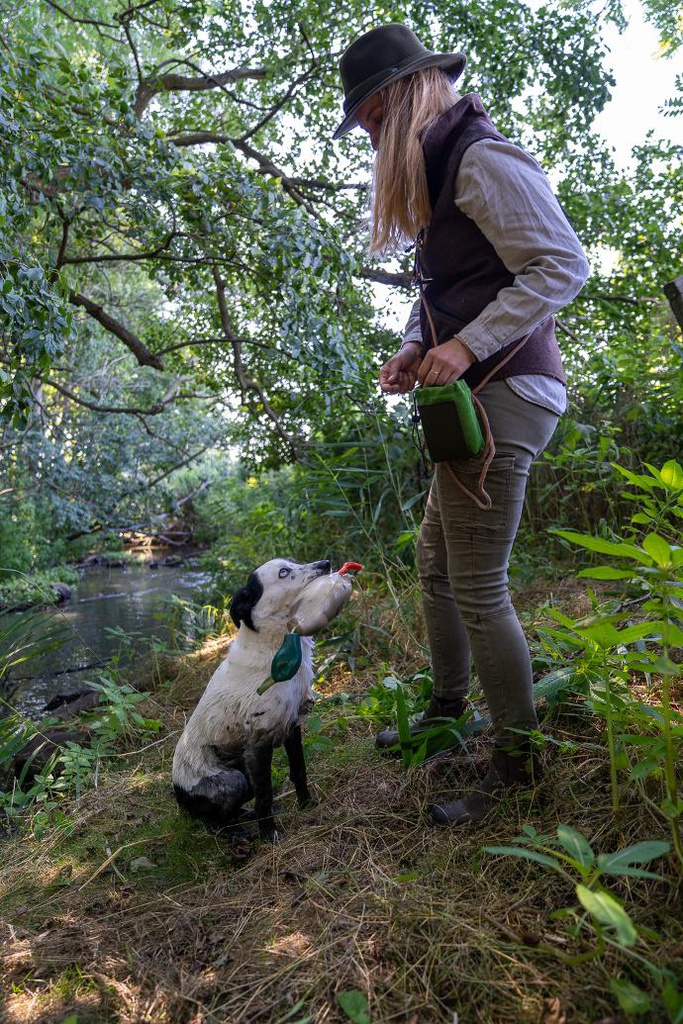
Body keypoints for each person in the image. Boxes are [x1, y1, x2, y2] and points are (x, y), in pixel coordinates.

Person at [333, 24, 589, 825]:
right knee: (434, 561)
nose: (369, 140)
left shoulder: (480, 156)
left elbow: (560, 264)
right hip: (473, 394)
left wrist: (468, 345)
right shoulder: (438, 171)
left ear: (398, 97)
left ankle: (519, 773)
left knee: (476, 583)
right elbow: (442, 289)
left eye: (371, 122)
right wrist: (417, 348)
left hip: (511, 391)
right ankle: (448, 709)